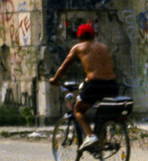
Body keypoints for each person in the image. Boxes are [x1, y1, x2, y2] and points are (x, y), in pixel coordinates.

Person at [49, 23, 120, 152]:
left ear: (79, 37)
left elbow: (64, 66)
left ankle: (90, 136)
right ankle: (101, 139)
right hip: (112, 85)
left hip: (96, 85)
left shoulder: (78, 48)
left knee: (78, 109)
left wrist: (54, 80)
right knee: (101, 112)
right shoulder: (103, 47)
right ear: (93, 35)